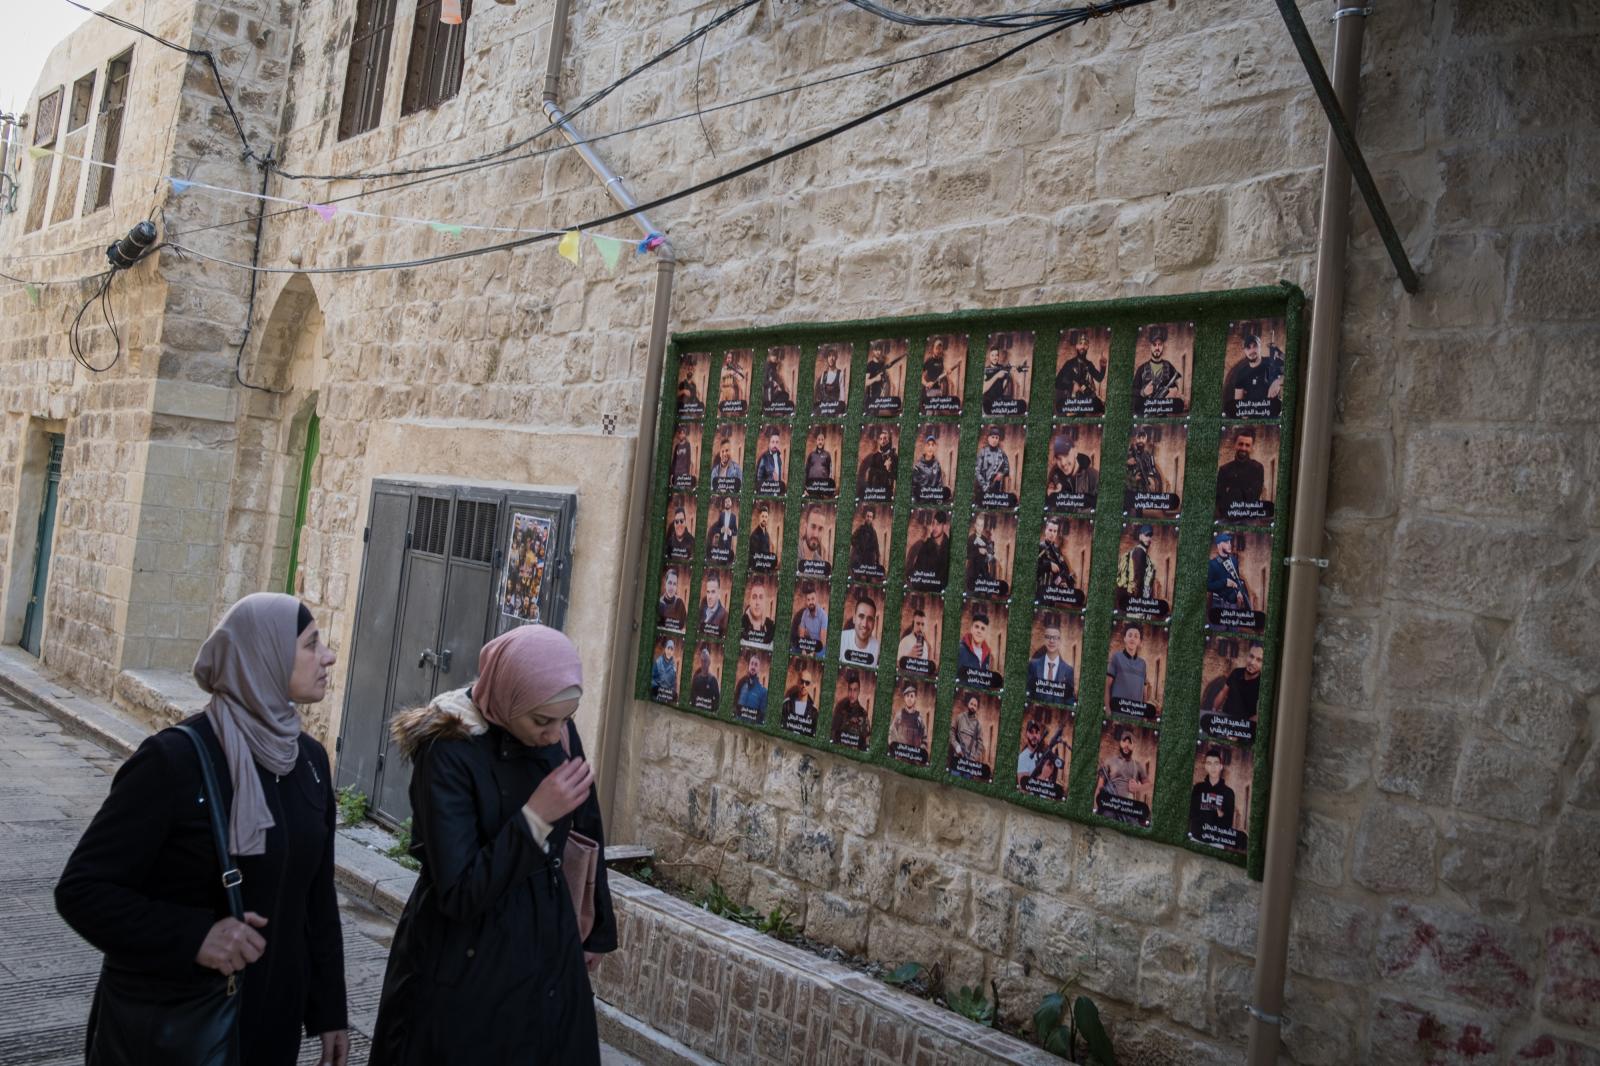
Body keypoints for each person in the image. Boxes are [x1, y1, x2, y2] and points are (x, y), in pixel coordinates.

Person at [56, 594, 348, 1066]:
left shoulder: (308, 761)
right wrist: (194, 936)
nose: (328, 656)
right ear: (265, 656)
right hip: (178, 1027)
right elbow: (82, 890)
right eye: (312, 644)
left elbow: (315, 894)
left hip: (270, 1026)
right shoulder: (174, 761)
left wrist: (330, 1007)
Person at [371, 625, 615, 1065]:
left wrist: (595, 926)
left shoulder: (557, 728)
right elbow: (460, 890)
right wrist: (536, 817)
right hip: (468, 962)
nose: (554, 733)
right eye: (542, 721)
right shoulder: (448, 750)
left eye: (566, 718)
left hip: (549, 945)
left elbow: (585, 824)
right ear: (509, 696)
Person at [1096, 728, 1150, 824]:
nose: (1126, 745)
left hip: (1128, 808)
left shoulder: (1137, 765)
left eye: (1130, 742)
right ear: (1120, 743)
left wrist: (1138, 787)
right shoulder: (1110, 761)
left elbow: (1148, 784)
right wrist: (1098, 806)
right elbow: (1100, 786)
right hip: (1110, 804)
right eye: (1124, 741)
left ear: (1134, 746)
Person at [1224, 332, 1283, 418]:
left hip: (1272, 416)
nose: (1252, 351)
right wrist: (1244, 416)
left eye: (1254, 346)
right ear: (1244, 350)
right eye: (1248, 348)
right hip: (1253, 417)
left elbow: (1291, 371)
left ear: (1260, 347)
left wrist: (1278, 381)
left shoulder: (1271, 362)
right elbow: (1238, 403)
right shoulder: (1241, 373)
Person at [1133, 325, 1183, 412]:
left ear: (1163, 346)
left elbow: (1174, 386)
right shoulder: (1142, 368)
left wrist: (1174, 390)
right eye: (1154, 344)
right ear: (1151, 347)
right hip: (1147, 403)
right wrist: (1143, 392)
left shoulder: (1168, 366)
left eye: (1160, 345)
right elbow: (1133, 390)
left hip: (1162, 403)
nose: (1157, 348)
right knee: (1136, 403)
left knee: (1179, 403)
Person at [1189, 748, 1237, 838]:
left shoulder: (1228, 793)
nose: (1213, 767)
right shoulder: (1198, 788)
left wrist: (1221, 816)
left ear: (1221, 766)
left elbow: (1228, 822)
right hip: (1197, 837)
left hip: (1217, 840)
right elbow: (1192, 814)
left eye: (1216, 763)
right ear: (1205, 767)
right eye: (1209, 763)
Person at [1215, 431, 1266, 516]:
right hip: (1228, 517)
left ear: (1251, 448)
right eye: (1240, 444)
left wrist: (1232, 491)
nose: (1243, 448)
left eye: (1247, 445)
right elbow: (1220, 500)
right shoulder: (1224, 470)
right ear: (1235, 445)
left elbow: (1254, 497)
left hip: (1250, 517)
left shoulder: (1257, 468)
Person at [1055, 328, 1106, 412]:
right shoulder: (1069, 364)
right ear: (1076, 346)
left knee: (1100, 406)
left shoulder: (1089, 364)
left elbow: (1099, 378)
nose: (1083, 346)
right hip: (1072, 399)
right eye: (1080, 343)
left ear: (1088, 347)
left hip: (1087, 400)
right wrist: (1072, 386)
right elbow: (1058, 383)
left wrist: (1103, 367)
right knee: (1061, 406)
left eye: (1085, 344)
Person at [1209, 644, 1264, 720]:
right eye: (1251, 656)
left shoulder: (1262, 683)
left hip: (1244, 725)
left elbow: (1260, 714)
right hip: (1225, 718)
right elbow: (1223, 692)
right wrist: (1214, 710)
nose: (1252, 662)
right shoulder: (1236, 672)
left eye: (1259, 660)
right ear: (1247, 656)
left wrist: (1244, 725)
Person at [1027, 617, 1075, 702]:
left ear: (1060, 641)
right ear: (1044, 640)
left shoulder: (1068, 670)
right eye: (1048, 637)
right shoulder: (1033, 665)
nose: (1051, 641)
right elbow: (1028, 692)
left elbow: (1069, 699)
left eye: (1055, 638)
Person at [1105, 623, 1150, 710]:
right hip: (1118, 712)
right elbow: (1107, 686)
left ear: (1139, 641)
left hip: (1135, 714)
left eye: (1136, 636)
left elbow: (1144, 692)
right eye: (1130, 635)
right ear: (1125, 638)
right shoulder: (1116, 657)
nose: (1132, 638)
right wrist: (1107, 709)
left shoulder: (1142, 664)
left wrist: (1144, 713)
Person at [1016, 716, 1068, 790]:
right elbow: (1023, 789)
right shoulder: (1022, 758)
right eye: (1031, 732)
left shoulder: (1043, 753)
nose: (1034, 735)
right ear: (1027, 734)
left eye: (1037, 732)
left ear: (1040, 735)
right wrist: (1043, 776)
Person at [1207, 533, 1253, 612]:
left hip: (1233, 605)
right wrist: (1225, 582)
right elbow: (1208, 586)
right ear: (1219, 545)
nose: (1230, 545)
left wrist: (1239, 591)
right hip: (1219, 605)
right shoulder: (1212, 564)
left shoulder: (1234, 561)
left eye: (1230, 542)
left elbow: (1237, 579)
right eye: (1226, 542)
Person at [906, 511, 951, 589]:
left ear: (945, 526)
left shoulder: (949, 546)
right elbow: (917, 570)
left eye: (938, 524)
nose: (934, 527)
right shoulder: (925, 546)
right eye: (933, 523)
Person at [1116, 524, 1157, 607]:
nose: (1149, 539)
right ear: (1140, 536)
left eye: (1150, 536)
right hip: (1135, 595)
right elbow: (1138, 575)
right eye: (1146, 535)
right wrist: (1139, 599)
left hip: (1132, 594)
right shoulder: (1140, 552)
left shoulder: (1137, 551)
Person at [1037, 517, 1077, 598]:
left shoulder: (1056, 549)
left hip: (1053, 591)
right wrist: (1048, 565)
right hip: (1040, 589)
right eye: (1050, 530)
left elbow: (1062, 569)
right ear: (1045, 530)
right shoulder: (1040, 546)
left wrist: (1063, 582)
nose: (1052, 534)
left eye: (1055, 531)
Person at [839, 591, 881, 667]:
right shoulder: (841, 639)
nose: (865, 624)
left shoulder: (878, 648)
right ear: (854, 618)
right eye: (861, 616)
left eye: (870, 619)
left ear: (874, 623)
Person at [966, 513, 1004, 594]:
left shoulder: (985, 539)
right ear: (975, 525)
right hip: (972, 573)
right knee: (972, 595)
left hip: (984, 573)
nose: (980, 528)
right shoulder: (970, 539)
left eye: (982, 525)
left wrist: (988, 553)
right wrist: (977, 551)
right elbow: (967, 555)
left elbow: (989, 557)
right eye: (978, 525)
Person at [982, 342, 1025, 413]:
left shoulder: (1002, 368)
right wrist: (996, 376)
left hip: (999, 401)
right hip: (988, 402)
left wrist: (1008, 376)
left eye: (996, 355)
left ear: (998, 356)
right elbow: (983, 390)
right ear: (989, 357)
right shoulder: (986, 370)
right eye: (992, 355)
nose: (995, 357)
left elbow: (1002, 389)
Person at [888, 683, 928, 759]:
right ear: (904, 698)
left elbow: (924, 739)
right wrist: (895, 749)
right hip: (900, 755)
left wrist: (919, 752)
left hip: (913, 757)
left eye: (912, 696)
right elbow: (891, 733)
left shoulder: (919, 718)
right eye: (907, 696)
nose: (909, 699)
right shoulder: (899, 716)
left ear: (915, 698)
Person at [1125, 430, 1164, 505]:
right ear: (1136, 439)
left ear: (1146, 440)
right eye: (1139, 438)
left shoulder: (1149, 456)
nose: (1141, 440)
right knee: (1129, 505)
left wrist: (1150, 478)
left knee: (1139, 507)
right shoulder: (1129, 453)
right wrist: (1127, 463)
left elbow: (1153, 469)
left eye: (1143, 438)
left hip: (1142, 486)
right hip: (1130, 486)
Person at [857, 426, 898, 497]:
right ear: (879, 441)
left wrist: (889, 469)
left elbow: (896, 475)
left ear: (888, 440)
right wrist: (869, 489)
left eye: (885, 438)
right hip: (876, 490)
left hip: (887, 490)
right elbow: (871, 473)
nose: (883, 441)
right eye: (881, 439)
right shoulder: (875, 456)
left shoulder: (893, 456)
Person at [957, 609, 997, 680]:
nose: (979, 631)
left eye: (983, 629)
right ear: (971, 629)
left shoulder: (987, 654)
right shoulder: (960, 649)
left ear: (985, 633)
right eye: (976, 627)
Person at [974, 425, 1011, 500]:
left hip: (997, 489)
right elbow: (977, 471)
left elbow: (1007, 468)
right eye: (992, 437)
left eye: (996, 438)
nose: (994, 440)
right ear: (988, 438)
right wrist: (984, 485)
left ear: (998, 439)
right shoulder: (983, 452)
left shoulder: (1002, 454)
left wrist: (1001, 474)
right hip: (983, 488)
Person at [831, 673, 870, 744]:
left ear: (859, 691)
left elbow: (866, 738)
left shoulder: (863, 713)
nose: (852, 694)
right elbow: (833, 732)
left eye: (855, 690)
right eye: (850, 689)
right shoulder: (840, 709)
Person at [951, 693, 986, 766]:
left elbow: (980, 744)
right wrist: (956, 746)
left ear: (977, 708)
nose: (972, 707)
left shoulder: (978, 725)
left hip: (970, 761)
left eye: (975, 705)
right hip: (957, 757)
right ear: (968, 704)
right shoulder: (960, 717)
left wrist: (974, 757)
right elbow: (952, 732)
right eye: (971, 704)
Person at [790, 583, 828, 651]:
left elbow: (823, 641)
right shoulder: (804, 613)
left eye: (813, 599)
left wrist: (813, 651)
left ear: (816, 599)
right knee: (795, 649)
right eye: (808, 599)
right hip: (806, 644)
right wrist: (803, 649)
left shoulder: (823, 615)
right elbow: (801, 634)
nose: (811, 602)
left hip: (818, 645)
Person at [921, 335, 956, 405]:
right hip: (930, 390)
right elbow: (920, 376)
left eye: (940, 348)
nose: (938, 350)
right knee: (930, 410)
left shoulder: (941, 360)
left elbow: (943, 372)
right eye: (936, 348)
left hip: (939, 389)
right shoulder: (929, 361)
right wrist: (926, 384)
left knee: (937, 410)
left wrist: (947, 372)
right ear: (933, 349)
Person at [798, 506, 832, 575]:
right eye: (813, 527)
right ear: (806, 526)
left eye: (820, 529)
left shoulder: (820, 563)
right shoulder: (794, 553)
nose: (816, 534)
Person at [911, 432, 946, 500]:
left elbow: (939, 484)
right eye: (928, 445)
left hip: (933, 499)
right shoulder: (918, 466)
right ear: (924, 447)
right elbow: (913, 488)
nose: (930, 447)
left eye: (932, 445)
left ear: (935, 447)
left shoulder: (937, 465)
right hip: (921, 500)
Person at [864, 339, 897, 407]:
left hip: (880, 396)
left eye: (879, 350)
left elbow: (885, 379)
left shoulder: (882, 364)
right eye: (876, 350)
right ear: (873, 351)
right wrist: (875, 379)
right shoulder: (870, 365)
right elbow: (866, 382)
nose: (878, 352)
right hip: (871, 397)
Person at [741, 582, 775, 647]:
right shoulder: (741, 623)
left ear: (765, 601)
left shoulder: (771, 626)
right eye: (754, 597)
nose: (757, 602)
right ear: (749, 600)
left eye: (761, 597)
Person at [849, 506, 881, 574]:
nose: (869, 518)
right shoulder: (860, 529)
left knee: (868, 579)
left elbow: (876, 546)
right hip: (860, 558)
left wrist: (878, 558)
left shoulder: (873, 532)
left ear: (872, 518)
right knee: (858, 576)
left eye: (870, 517)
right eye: (868, 516)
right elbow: (852, 539)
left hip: (869, 559)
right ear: (865, 517)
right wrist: (858, 546)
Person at [708, 496, 738, 561]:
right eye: (726, 502)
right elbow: (715, 529)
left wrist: (730, 532)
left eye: (728, 501)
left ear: (731, 503)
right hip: (720, 544)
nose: (727, 503)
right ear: (724, 504)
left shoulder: (734, 517)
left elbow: (736, 532)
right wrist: (721, 530)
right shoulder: (721, 516)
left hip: (728, 545)